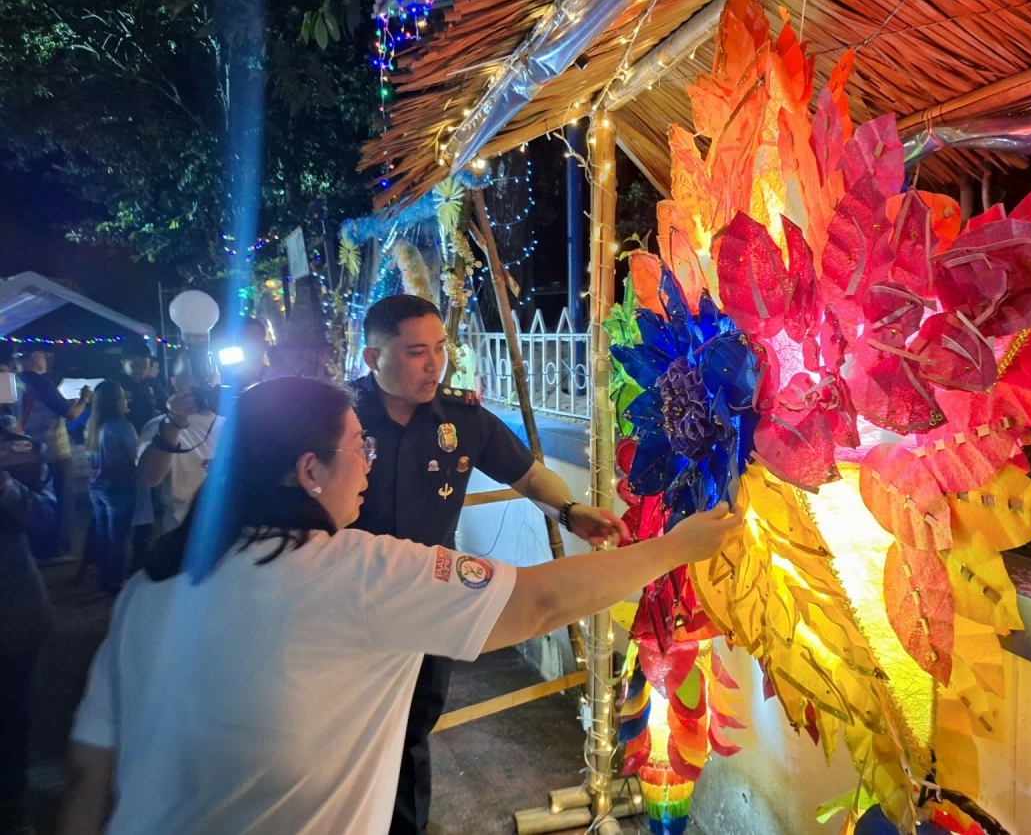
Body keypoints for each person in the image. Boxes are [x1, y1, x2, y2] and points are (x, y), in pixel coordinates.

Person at [59, 377, 740, 834]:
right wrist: (675, 548)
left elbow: (90, 774)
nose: (369, 462)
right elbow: (539, 602)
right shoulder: (357, 572)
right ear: (309, 471)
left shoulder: (150, 587)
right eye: (359, 449)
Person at [349, 294, 625, 835]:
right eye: (416, 352)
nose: (434, 364)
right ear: (372, 358)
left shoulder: (462, 417)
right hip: (349, 600)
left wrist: (571, 511)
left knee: (412, 732)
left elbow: (528, 474)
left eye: (440, 349)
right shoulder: (340, 418)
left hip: (428, 600)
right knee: (349, 729)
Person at [0, 430, 56, 835]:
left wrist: (5, 488)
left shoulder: (20, 449)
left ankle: (11, 805)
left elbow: (47, 519)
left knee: (12, 721)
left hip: (12, 620)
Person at [135, 354, 223, 542]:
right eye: (194, 373)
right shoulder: (159, 426)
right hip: (182, 537)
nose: (205, 381)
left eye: (209, 372)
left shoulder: (236, 421)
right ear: (175, 382)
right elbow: (148, 478)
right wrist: (175, 422)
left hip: (230, 537)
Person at [14, 350, 91, 558]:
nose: (47, 360)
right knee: (64, 500)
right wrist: (84, 399)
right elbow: (72, 414)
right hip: (54, 452)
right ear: (33, 358)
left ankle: (37, 546)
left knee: (34, 500)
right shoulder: (41, 383)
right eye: (43, 356)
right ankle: (58, 548)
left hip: (27, 452)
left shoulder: (15, 382)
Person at [86, 381, 139, 594]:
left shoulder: (93, 426)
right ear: (117, 401)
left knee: (103, 535)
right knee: (118, 537)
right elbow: (135, 456)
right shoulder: (122, 426)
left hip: (96, 487)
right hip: (120, 486)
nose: (127, 400)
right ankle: (116, 581)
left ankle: (104, 579)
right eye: (123, 396)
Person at [116, 350, 161, 433]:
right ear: (123, 363)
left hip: (152, 433)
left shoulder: (152, 383)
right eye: (135, 366)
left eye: (144, 366)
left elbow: (165, 405)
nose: (140, 370)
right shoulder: (114, 386)